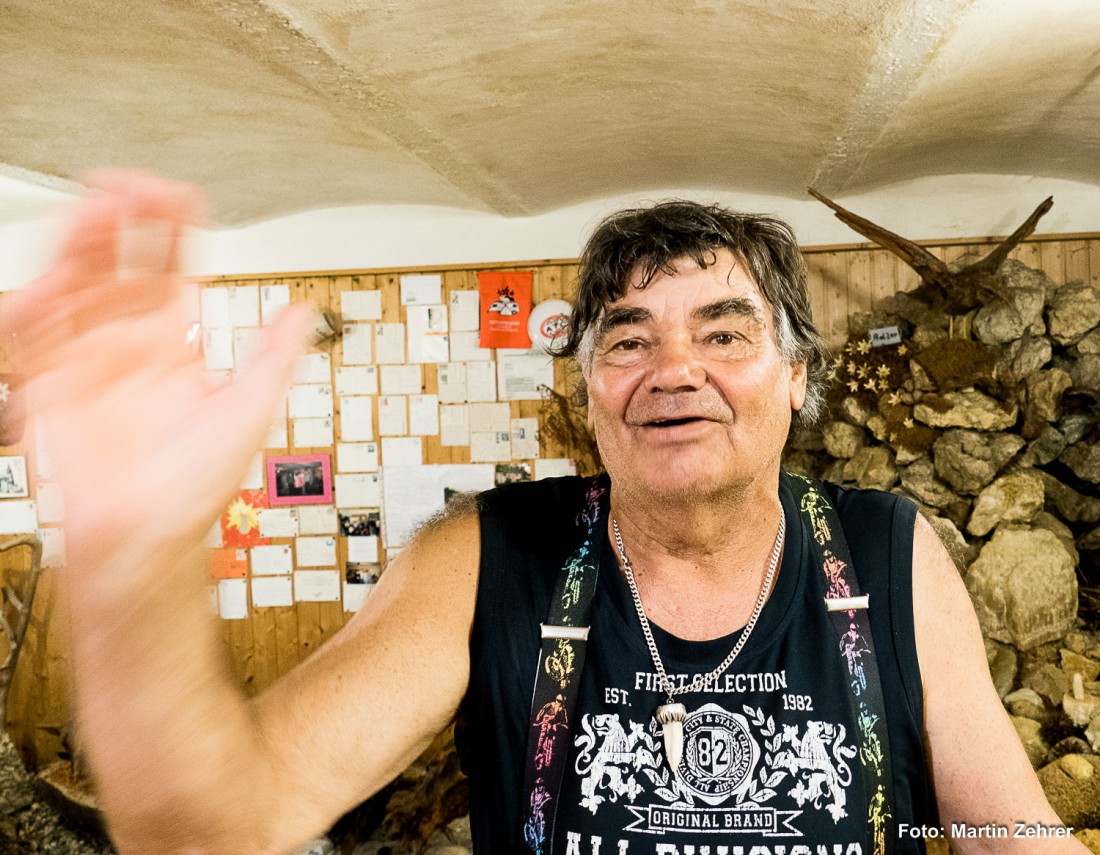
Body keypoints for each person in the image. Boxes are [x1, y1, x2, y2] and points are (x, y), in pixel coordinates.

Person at [5, 171, 1086, 855]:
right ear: (585, 388)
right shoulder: (491, 556)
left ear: (794, 376)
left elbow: (999, 830)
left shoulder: (885, 552)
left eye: (723, 333)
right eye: (626, 339)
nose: (673, 370)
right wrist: (131, 559)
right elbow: (216, 829)